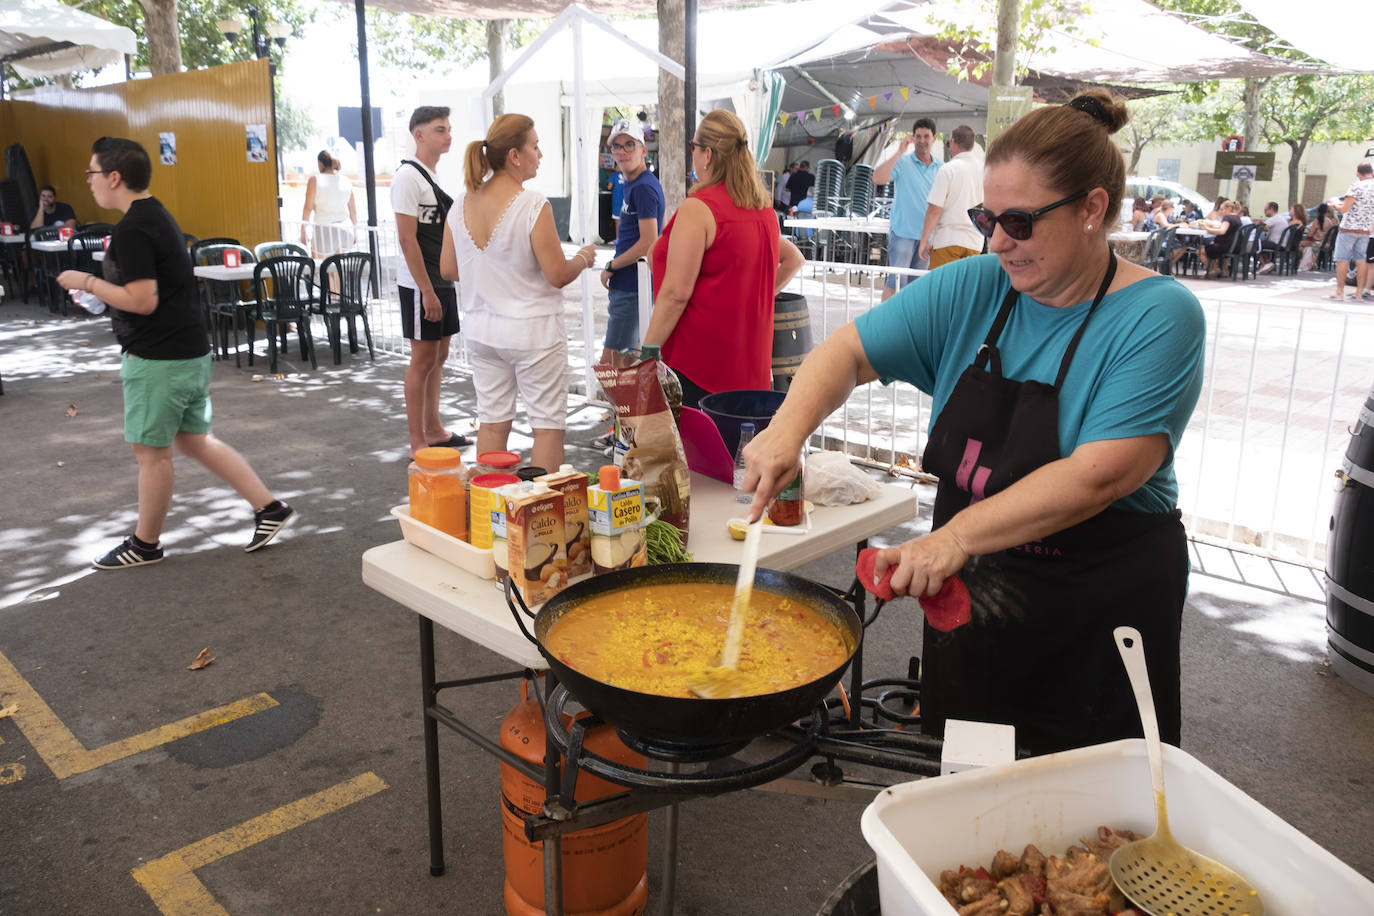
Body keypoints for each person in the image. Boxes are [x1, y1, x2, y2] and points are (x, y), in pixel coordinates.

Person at [741, 91, 1205, 757]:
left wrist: (955, 537)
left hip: (1100, 610)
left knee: (1094, 831)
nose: (996, 241)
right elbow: (845, 353)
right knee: (966, 805)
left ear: (1091, 209)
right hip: (977, 605)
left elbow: (1102, 474)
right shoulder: (974, 287)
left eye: (1018, 221)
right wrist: (788, 431)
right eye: (988, 217)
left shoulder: (1159, 315)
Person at [56, 137, 295, 569]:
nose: (88, 182)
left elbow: (142, 299)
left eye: (91, 173)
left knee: (151, 453)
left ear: (114, 177)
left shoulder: (133, 228)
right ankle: (269, 508)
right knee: (194, 441)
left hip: (159, 360)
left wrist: (86, 282)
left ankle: (145, 543)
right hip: (185, 352)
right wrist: (102, 292)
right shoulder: (154, 216)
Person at [439, 114, 597, 471]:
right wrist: (584, 258)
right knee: (546, 428)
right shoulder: (532, 204)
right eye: (535, 146)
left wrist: (490, 270)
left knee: (492, 422)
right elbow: (557, 274)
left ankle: (488, 512)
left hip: (482, 330)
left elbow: (448, 269)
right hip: (533, 332)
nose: (539, 154)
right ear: (514, 155)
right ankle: (542, 519)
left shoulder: (461, 203)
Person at [643, 109, 805, 408]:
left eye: (693, 147)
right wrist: (754, 297)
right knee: (737, 452)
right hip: (750, 369)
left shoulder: (700, 208)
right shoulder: (763, 212)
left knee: (696, 453)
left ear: (707, 154)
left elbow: (676, 293)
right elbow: (794, 259)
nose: (692, 154)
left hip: (698, 367)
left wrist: (648, 350)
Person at [393, 106, 469, 456]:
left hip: (441, 280)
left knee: (439, 355)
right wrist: (425, 290)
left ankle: (434, 429)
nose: (448, 135)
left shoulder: (431, 175)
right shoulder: (407, 178)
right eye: (440, 129)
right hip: (420, 283)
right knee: (422, 359)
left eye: (449, 129)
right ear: (419, 135)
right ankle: (416, 441)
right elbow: (408, 239)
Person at [597, 118, 664, 364]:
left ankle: (627, 406)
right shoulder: (633, 183)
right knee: (625, 371)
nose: (622, 151)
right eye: (617, 146)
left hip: (633, 286)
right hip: (629, 285)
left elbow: (648, 242)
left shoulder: (643, 187)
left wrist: (611, 266)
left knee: (612, 370)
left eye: (629, 145)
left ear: (643, 150)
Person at [874, 117, 941, 299]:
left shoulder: (941, 168)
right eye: (918, 136)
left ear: (934, 138)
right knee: (895, 282)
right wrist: (899, 151)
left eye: (926, 136)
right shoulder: (902, 162)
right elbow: (877, 178)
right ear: (913, 138)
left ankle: (909, 325)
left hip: (927, 237)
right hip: (903, 233)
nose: (922, 141)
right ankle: (885, 323)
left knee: (917, 287)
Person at [918, 125, 984, 269]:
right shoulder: (985, 170)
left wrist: (924, 240)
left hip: (948, 240)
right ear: (972, 144)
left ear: (953, 142)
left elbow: (935, 209)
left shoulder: (948, 169)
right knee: (966, 290)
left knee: (940, 290)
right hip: (975, 242)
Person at [300, 150, 356, 257]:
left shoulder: (315, 180)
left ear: (320, 164)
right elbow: (353, 210)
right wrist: (355, 231)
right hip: (346, 231)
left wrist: (303, 230)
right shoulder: (346, 181)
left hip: (324, 231)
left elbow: (308, 208)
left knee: (320, 269)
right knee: (339, 269)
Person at [1331, 161, 1374, 301]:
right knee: (1361, 260)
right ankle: (1359, 294)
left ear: (1358, 173)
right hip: (1365, 230)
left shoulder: (1357, 186)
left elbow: (1344, 209)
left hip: (1348, 228)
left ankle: (1339, 293)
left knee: (1342, 259)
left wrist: (1335, 203)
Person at [1198, 200, 1243, 278]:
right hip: (1236, 246)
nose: (1220, 212)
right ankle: (1223, 271)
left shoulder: (1227, 218)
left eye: (1222, 209)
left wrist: (1207, 229)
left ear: (1228, 209)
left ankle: (1213, 269)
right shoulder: (1237, 218)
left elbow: (1222, 231)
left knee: (1200, 251)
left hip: (1227, 247)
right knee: (1212, 247)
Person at [1299, 202, 1335, 272]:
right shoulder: (1330, 221)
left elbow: (1310, 234)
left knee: (1302, 245)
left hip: (1318, 242)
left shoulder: (1318, 221)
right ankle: (1312, 262)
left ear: (1318, 211)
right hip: (1327, 243)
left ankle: (1306, 264)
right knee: (1305, 244)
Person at [1256, 201, 1288, 274]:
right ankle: (1267, 264)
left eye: (1265, 210)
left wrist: (1259, 223)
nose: (1264, 212)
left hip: (1277, 244)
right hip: (1281, 243)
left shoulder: (1274, 218)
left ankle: (1266, 264)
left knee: (1254, 243)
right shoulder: (1279, 217)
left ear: (1271, 209)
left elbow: (1263, 227)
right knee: (1261, 243)